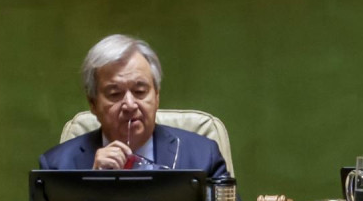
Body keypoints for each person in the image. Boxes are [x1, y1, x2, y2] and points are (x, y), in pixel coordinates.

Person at [38, 34, 229, 177]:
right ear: (93, 104)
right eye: (115, 94)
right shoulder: (57, 167)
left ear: (157, 96)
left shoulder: (204, 157)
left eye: (140, 92)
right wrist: (92, 184)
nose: (129, 105)